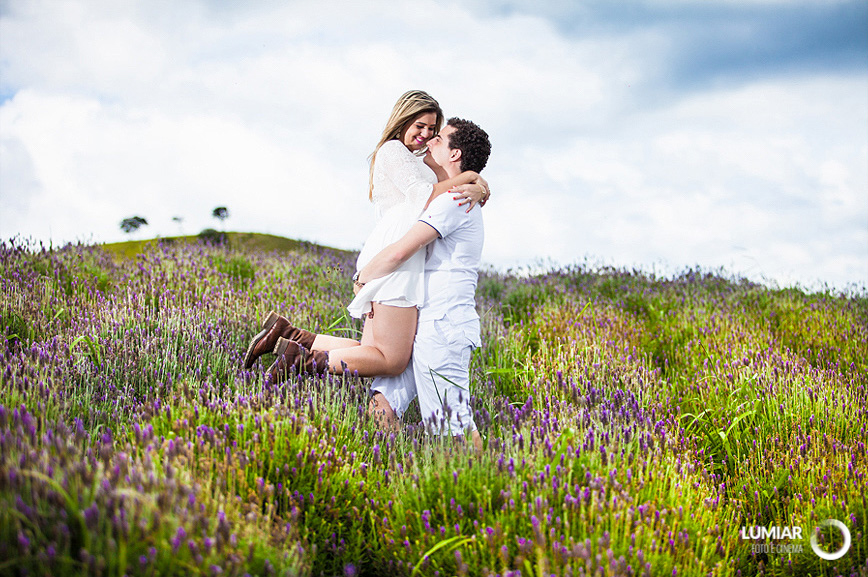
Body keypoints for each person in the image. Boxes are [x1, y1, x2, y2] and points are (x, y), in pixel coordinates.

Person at [242, 91, 489, 378]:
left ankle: (289, 336)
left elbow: (446, 171)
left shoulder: (415, 158)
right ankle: (297, 362)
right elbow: (423, 195)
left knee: (371, 349)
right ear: (404, 119)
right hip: (398, 256)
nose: (426, 135)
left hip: (398, 251)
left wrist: (478, 184)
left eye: (432, 129)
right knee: (391, 360)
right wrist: (473, 179)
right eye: (419, 126)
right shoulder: (393, 150)